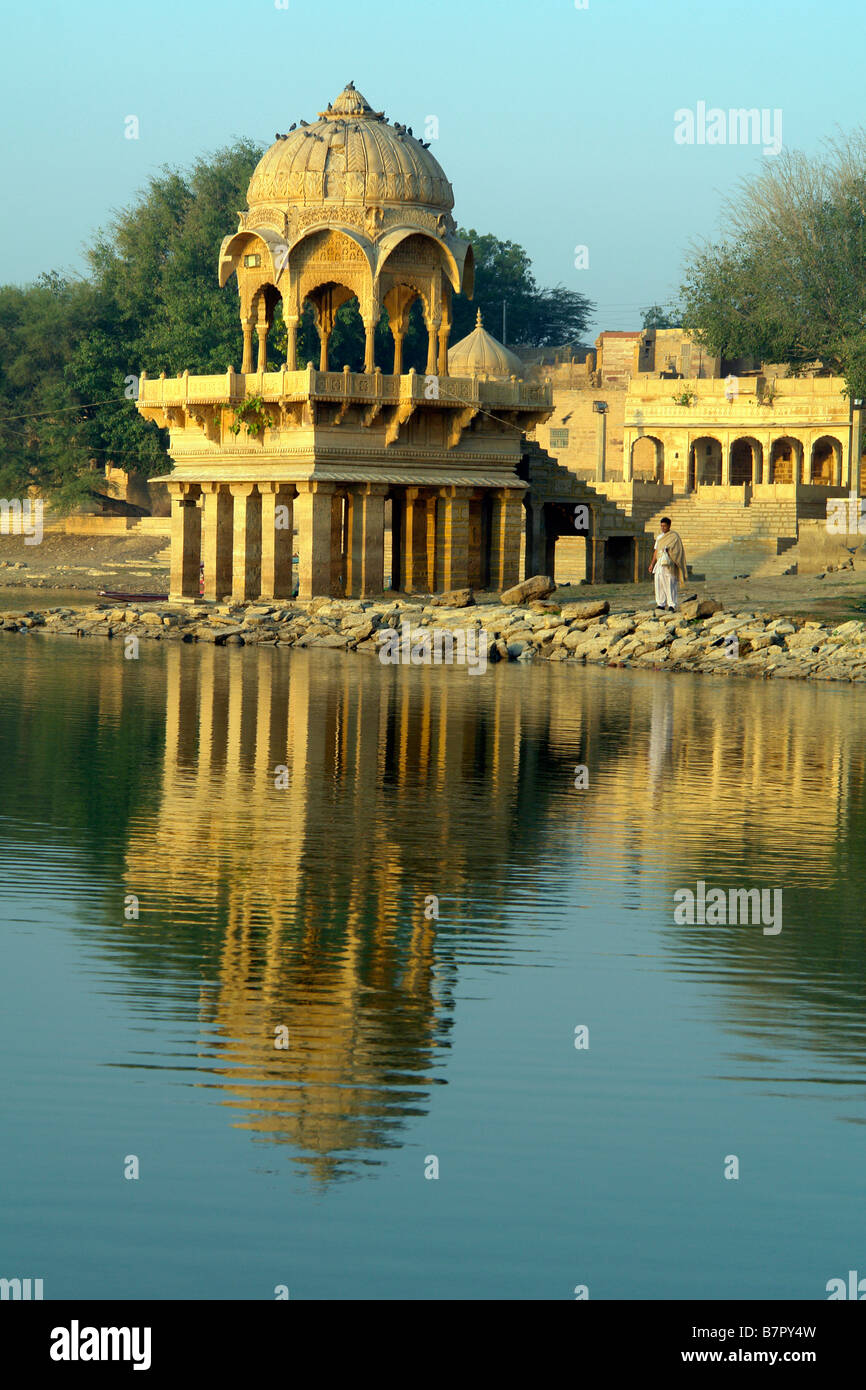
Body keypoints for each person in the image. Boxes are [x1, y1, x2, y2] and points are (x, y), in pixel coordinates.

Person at [649, 517, 687, 611]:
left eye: (664, 526)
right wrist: (652, 564)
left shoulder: (674, 537)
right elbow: (656, 551)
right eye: (661, 526)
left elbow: (678, 550)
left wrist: (669, 552)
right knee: (659, 583)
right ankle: (661, 603)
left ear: (669, 526)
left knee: (670, 583)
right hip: (660, 563)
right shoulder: (659, 537)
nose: (663, 528)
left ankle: (672, 604)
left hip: (670, 563)